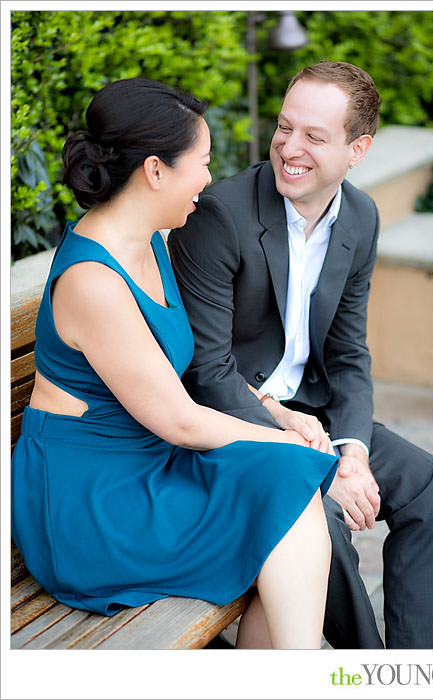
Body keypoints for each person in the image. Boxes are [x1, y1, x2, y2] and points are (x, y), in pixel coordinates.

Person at [10, 78, 339, 650]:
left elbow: (185, 369)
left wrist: (274, 413)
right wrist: (284, 444)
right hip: (94, 506)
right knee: (289, 487)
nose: (210, 179)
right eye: (203, 163)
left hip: (152, 470)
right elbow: (179, 420)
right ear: (156, 171)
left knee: (285, 501)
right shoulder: (94, 281)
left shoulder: (154, 238)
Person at [167, 61, 433, 649]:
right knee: (322, 522)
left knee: (423, 484)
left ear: (357, 148)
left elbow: (347, 353)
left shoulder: (361, 217)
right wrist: (319, 468)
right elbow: (207, 373)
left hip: (311, 411)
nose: (290, 147)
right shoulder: (221, 216)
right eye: (285, 128)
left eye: (314, 136)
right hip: (234, 424)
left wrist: (353, 453)